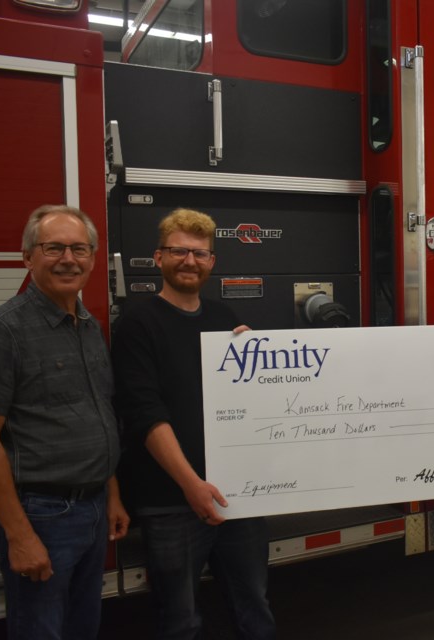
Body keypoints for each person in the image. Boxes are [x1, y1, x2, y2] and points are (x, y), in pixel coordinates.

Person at [0, 204, 130, 640]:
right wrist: (19, 536)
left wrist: (109, 494)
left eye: (79, 249)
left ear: (93, 258)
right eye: (53, 247)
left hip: (92, 509)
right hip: (42, 515)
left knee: (82, 627)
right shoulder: (3, 331)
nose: (68, 259)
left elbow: (100, 415)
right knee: (42, 631)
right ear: (27, 257)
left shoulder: (89, 327)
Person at [112, 208, 276, 640]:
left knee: (255, 607)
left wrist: (259, 361)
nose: (189, 261)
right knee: (180, 621)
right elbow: (145, 414)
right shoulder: (136, 324)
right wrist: (191, 484)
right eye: (179, 252)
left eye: (199, 254)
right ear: (159, 258)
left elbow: (252, 404)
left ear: (212, 262)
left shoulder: (226, 322)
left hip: (235, 497)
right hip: (171, 501)